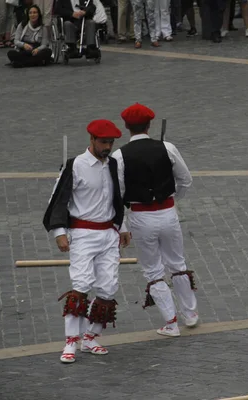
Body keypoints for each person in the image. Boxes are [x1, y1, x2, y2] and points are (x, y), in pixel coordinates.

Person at [43, 119, 130, 363]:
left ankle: (91, 337)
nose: (107, 147)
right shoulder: (75, 165)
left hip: (108, 234)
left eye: (111, 142)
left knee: (108, 286)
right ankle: (71, 340)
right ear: (91, 140)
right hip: (83, 234)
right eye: (103, 142)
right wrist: (59, 232)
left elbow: (117, 197)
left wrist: (122, 226)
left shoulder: (113, 164)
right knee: (81, 284)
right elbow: (58, 199)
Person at [112, 103, 199, 336]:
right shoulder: (167, 147)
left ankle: (171, 322)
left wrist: (122, 225)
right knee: (177, 263)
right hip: (168, 212)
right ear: (149, 125)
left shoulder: (119, 156)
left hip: (140, 215)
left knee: (153, 270)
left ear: (126, 126)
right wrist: (172, 200)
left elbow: (116, 195)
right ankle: (190, 314)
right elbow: (185, 179)